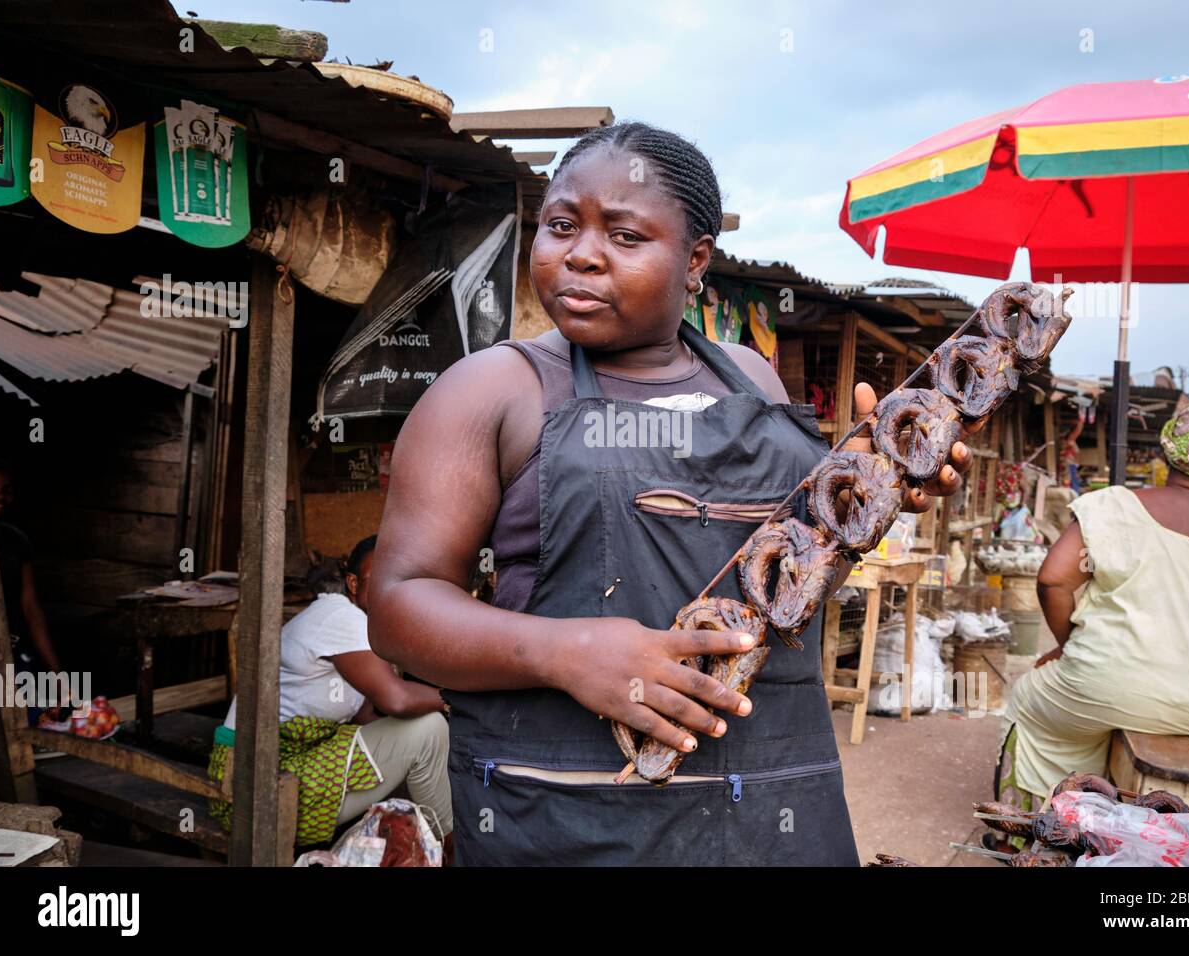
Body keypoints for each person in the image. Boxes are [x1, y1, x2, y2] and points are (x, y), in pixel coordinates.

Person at [369, 122, 977, 866]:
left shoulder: (751, 378)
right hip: (573, 811)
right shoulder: (493, 391)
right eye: (561, 225)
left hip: (769, 803)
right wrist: (566, 652)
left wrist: (865, 496)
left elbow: (779, 581)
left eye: (624, 237)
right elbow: (398, 606)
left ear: (694, 261)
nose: (582, 254)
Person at [995, 396, 1189, 817]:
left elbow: (1054, 578)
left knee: (1030, 704)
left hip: (1111, 681)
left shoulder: (1115, 506)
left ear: (1168, 451)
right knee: (1106, 705)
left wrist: (1068, 644)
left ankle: (1032, 826)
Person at [210, 535, 452, 850]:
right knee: (430, 730)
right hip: (254, 783)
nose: (389, 591)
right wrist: (454, 698)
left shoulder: (359, 626)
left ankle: (432, 844)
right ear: (352, 582)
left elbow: (368, 715)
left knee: (418, 735)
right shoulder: (341, 618)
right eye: (377, 579)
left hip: (276, 767)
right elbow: (397, 699)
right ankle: (452, 849)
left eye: (399, 581)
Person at [0, 456, 62, 720]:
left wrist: (56, 672)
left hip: (10, 648)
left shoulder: (15, 541)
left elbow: (31, 609)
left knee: (36, 713)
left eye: (6, 490)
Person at [1060, 410, 1084, 494]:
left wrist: (1064, 421)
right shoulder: (1067, 444)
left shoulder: (1070, 442)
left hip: (1070, 467)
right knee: (1069, 485)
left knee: (1072, 486)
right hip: (1067, 467)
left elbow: (1079, 425)